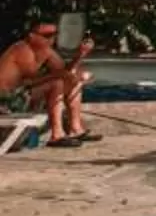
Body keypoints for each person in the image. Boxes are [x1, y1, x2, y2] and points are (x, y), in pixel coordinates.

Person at [0, 19, 95, 147]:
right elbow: (29, 82)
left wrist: (80, 55)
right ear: (31, 36)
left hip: (22, 94)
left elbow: (64, 71)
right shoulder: (21, 49)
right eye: (47, 36)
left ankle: (76, 129)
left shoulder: (46, 51)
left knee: (75, 82)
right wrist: (58, 75)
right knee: (56, 84)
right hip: (7, 100)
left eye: (54, 35)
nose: (51, 39)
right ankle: (57, 135)